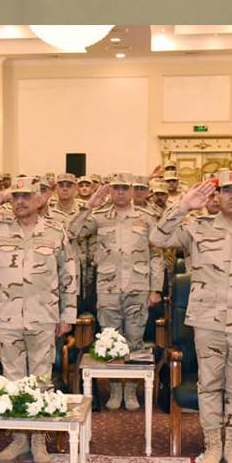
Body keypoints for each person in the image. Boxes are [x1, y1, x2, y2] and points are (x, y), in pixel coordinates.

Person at [151, 170, 232, 463]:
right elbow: (157, 237)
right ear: (217, 196)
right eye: (227, 190)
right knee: (208, 384)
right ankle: (212, 446)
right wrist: (184, 206)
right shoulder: (197, 227)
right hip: (208, 320)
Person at [0, 177, 77, 463]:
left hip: (43, 315)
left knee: (42, 379)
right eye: (16, 196)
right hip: (8, 316)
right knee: (12, 380)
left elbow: (69, 274)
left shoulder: (55, 231)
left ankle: (39, 438)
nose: (20, 201)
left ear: (39, 199)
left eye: (26, 196)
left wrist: (68, 314)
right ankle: (19, 438)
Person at [68, 174, 164, 410]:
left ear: (132, 191)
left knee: (135, 339)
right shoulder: (99, 217)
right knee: (110, 339)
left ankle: (130, 388)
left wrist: (155, 288)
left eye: (125, 188)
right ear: (110, 191)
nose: (120, 192)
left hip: (138, 287)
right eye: (116, 188)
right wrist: (89, 205)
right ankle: (115, 388)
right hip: (108, 287)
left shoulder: (146, 218)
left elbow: (156, 255)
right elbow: (71, 232)